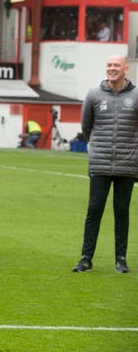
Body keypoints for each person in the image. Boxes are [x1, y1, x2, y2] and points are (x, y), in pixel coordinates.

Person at [72, 55, 137, 274]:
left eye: (116, 65)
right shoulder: (93, 95)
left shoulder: (136, 96)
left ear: (125, 68)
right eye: (109, 65)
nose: (112, 68)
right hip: (100, 163)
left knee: (122, 211)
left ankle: (120, 259)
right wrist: (99, 147)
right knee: (94, 209)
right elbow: (86, 127)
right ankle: (86, 258)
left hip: (127, 164)